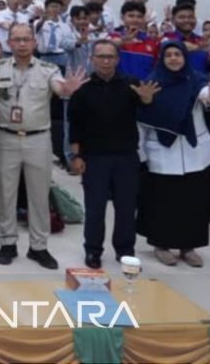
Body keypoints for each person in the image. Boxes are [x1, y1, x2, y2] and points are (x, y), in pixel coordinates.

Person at [0, 25, 86, 269]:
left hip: (38, 139)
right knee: (6, 193)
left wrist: (67, 89)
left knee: (39, 194)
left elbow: (60, 87)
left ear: (34, 43)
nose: (22, 44)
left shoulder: (48, 69)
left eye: (26, 39)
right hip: (6, 137)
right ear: (9, 43)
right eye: (17, 39)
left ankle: (38, 247)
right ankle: (7, 243)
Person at [67, 40, 155, 268]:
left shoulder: (132, 84)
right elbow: (74, 124)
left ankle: (125, 250)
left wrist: (146, 99)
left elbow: (146, 110)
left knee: (126, 208)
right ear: (92, 59)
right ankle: (93, 250)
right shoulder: (83, 88)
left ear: (117, 59)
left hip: (126, 156)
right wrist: (76, 156)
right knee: (95, 208)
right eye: (101, 56)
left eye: (110, 57)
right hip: (94, 157)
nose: (105, 61)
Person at [135, 41, 210, 267]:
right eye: (169, 55)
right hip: (162, 153)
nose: (174, 58)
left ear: (185, 57)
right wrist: (141, 153)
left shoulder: (195, 79)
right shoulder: (152, 82)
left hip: (194, 152)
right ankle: (161, 245)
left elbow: (205, 94)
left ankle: (188, 247)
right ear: (162, 59)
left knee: (193, 202)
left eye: (178, 54)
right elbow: (142, 121)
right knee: (163, 202)